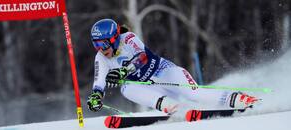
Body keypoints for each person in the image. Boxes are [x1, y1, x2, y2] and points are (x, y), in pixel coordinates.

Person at [87, 19, 259, 114]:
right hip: (150, 88)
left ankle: (238, 99)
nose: (101, 50)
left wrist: (124, 70)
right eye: (96, 45)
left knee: (193, 94)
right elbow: (99, 82)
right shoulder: (101, 58)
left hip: (164, 73)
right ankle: (172, 108)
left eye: (103, 44)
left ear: (114, 38)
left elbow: (142, 57)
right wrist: (96, 97)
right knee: (126, 89)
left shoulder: (128, 38)